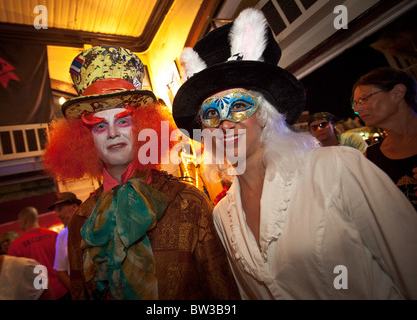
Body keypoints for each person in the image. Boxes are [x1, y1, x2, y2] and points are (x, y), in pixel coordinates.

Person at [172, 8, 417, 299]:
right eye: (211, 113)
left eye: (238, 106)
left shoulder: (336, 168)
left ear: (263, 114)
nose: (225, 122)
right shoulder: (223, 216)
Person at [42, 45, 240, 300]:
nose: (113, 132)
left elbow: (223, 297)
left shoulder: (188, 203)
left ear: (144, 126)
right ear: (84, 138)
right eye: (100, 125)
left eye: (123, 120)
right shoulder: (81, 220)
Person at [352, 67, 417, 209]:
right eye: (355, 104)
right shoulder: (370, 158)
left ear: (398, 93)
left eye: (363, 99)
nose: (358, 110)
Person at [0, 198, 53, 300]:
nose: (4, 244)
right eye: (2, 242)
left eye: (7, 241)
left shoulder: (18, 264)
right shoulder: (54, 235)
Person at [7, 206, 68, 299]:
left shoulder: (15, 246)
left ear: (24, 221)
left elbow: (14, 279)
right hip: (64, 289)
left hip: (41, 296)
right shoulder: (54, 236)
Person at [49, 192, 82, 298]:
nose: (57, 214)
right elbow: (61, 272)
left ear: (74, 207)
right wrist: (79, 294)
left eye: (60, 209)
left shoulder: (89, 228)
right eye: (55, 210)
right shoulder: (62, 236)